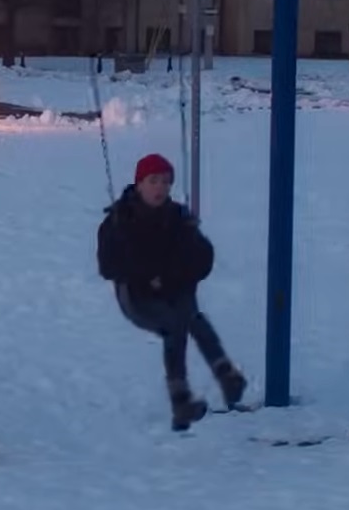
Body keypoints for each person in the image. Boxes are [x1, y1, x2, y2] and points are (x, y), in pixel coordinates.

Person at [96, 153, 248, 431]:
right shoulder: (119, 220)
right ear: (139, 184)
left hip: (173, 291)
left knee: (192, 318)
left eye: (166, 182)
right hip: (136, 297)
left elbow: (204, 258)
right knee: (175, 324)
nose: (160, 188)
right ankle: (181, 399)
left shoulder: (178, 218)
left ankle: (225, 375)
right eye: (153, 181)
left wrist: (177, 270)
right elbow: (109, 266)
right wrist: (146, 276)